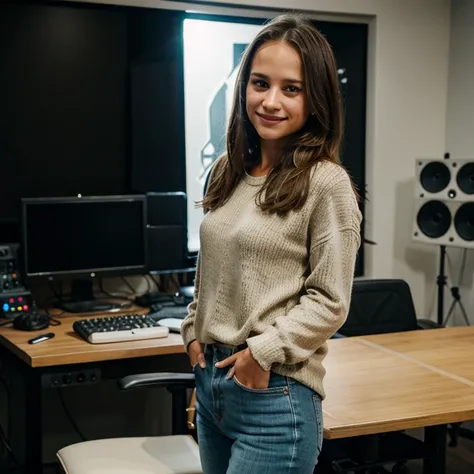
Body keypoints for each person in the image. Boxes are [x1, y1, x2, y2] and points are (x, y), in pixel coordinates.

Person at [181, 12, 362, 474]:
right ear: (243, 87)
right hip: (213, 385)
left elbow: (330, 301)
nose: (270, 101)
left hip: (274, 397)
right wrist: (192, 334)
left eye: (291, 89)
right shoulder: (228, 169)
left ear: (315, 98)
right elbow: (211, 273)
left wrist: (261, 354)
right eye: (260, 83)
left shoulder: (326, 183)